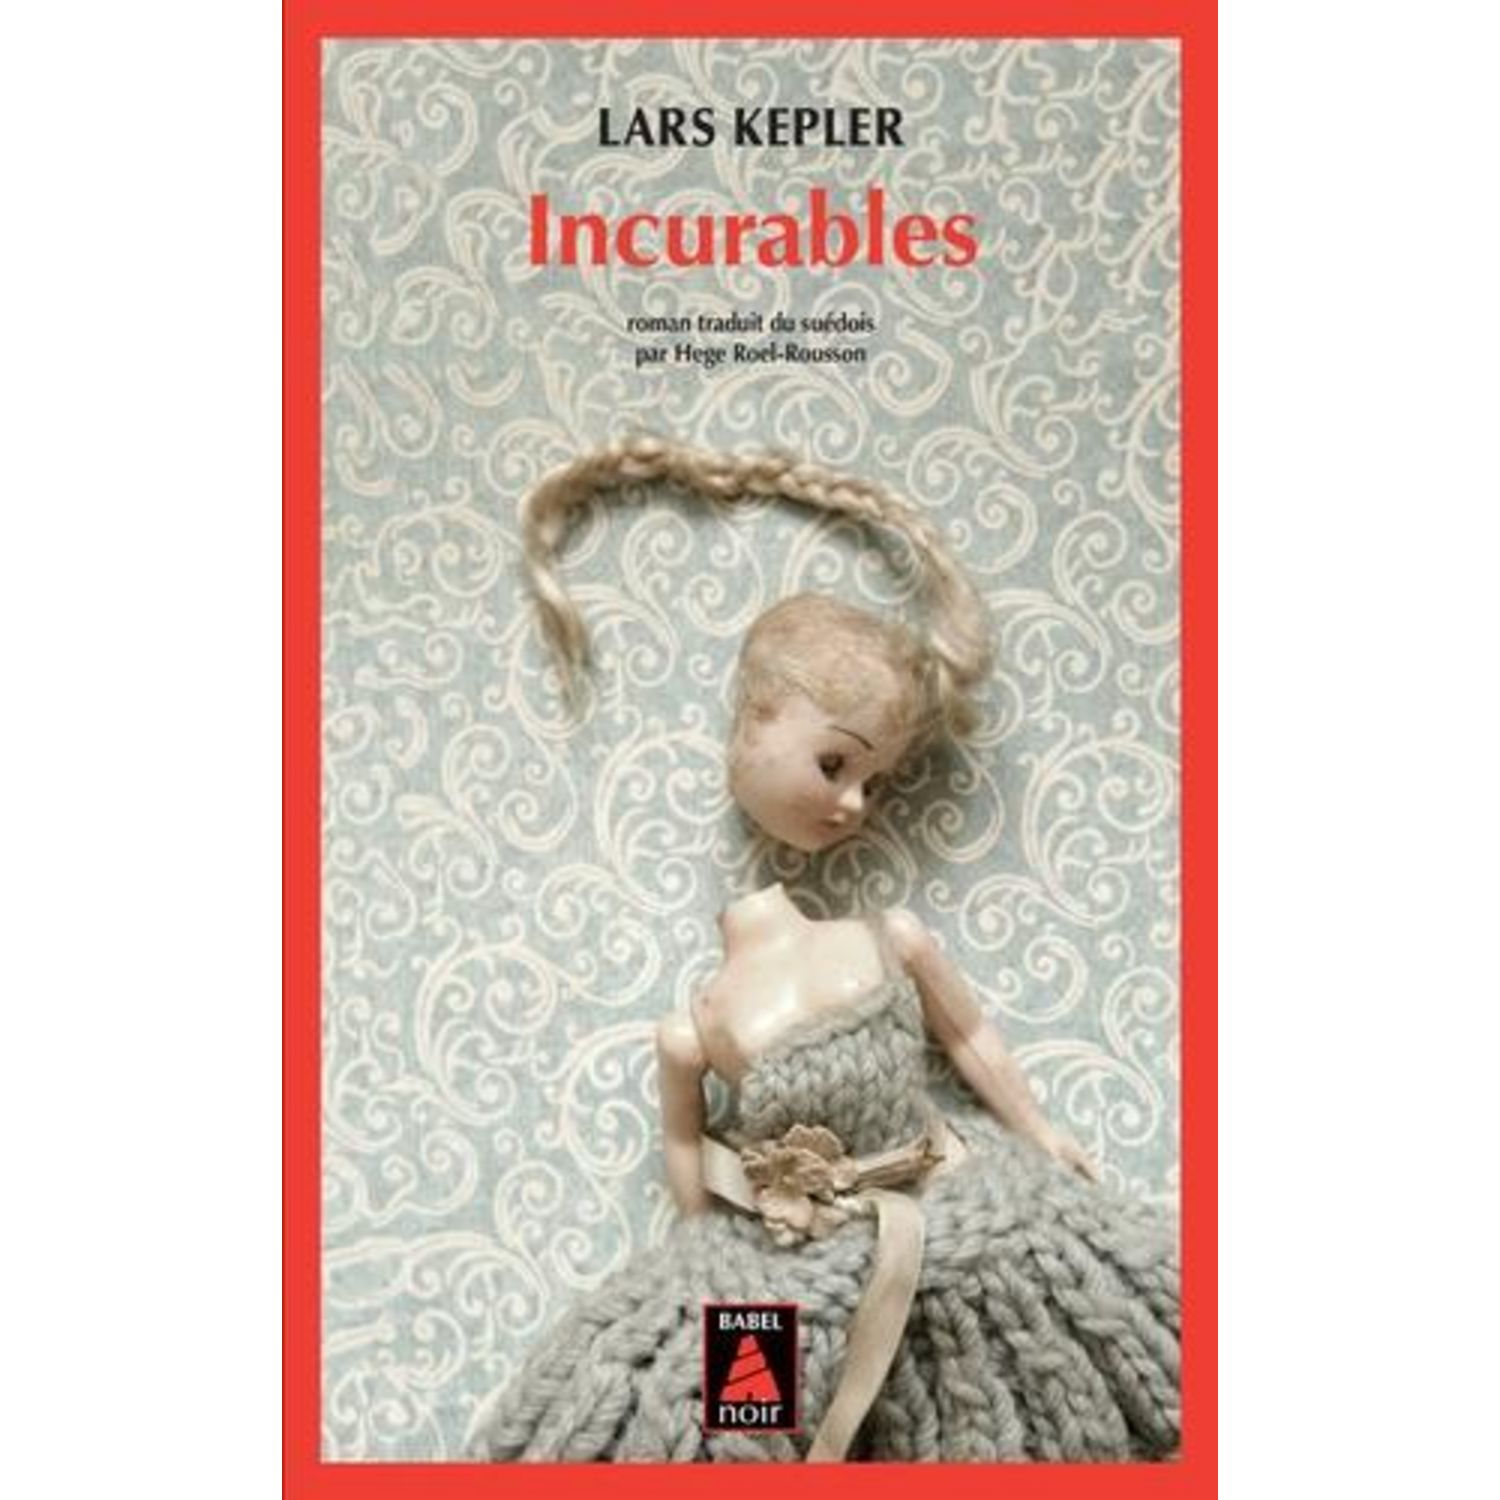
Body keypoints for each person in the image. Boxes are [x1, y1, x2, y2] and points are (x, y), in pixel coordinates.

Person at [468, 437, 1180, 1461]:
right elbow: (687, 1159)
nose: (853, 804)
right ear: (751, 724)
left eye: (876, 783)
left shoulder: (885, 938)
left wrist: (1039, 1128)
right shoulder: (695, 1026)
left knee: (1041, 1376)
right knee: (733, 1422)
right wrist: (708, 1259)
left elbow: (969, 1036)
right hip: (775, 1254)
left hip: (949, 1206)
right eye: (836, 763)